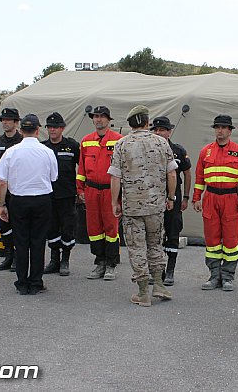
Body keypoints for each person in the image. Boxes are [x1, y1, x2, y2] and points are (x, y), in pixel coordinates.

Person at [108, 105, 177, 307]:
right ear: (148, 123)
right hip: (156, 206)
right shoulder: (162, 143)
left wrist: (115, 202)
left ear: (130, 124)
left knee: (137, 248)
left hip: (132, 207)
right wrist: (171, 197)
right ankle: (158, 284)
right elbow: (172, 173)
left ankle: (142, 292)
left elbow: (115, 177)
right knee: (155, 244)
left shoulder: (121, 144)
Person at [0, 114, 58, 295]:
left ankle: (22, 282)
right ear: (38, 131)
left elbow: (3, 182)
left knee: (21, 242)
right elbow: (54, 177)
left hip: (19, 200)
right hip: (41, 199)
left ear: (21, 131)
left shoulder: (11, 151)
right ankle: (36, 282)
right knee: (37, 242)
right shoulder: (47, 152)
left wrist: (1, 204)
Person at [193, 114, 238, 291]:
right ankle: (214, 276)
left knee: (230, 239)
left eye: (223, 127)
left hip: (230, 199)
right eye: (217, 127)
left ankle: (227, 277)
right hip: (210, 198)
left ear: (230, 130)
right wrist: (196, 198)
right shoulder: (206, 151)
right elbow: (199, 177)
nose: (220, 130)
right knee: (211, 240)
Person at [77, 105, 123, 280]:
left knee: (111, 227)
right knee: (94, 228)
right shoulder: (86, 141)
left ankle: (111, 264)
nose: (98, 120)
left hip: (110, 191)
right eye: (95, 117)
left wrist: (120, 196)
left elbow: (123, 170)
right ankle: (99, 262)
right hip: (91, 190)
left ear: (109, 120)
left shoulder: (119, 140)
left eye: (102, 116)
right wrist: (80, 188)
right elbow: (81, 168)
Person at [150, 116, 192, 286]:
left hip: (173, 196)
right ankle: (157, 271)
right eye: (156, 130)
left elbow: (187, 173)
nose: (159, 133)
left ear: (169, 131)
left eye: (162, 130)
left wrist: (186, 197)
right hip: (154, 195)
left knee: (172, 231)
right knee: (154, 234)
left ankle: (171, 270)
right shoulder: (149, 150)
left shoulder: (178, 150)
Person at [41, 112, 80, 276]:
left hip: (67, 195)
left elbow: (82, 168)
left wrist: (81, 189)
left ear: (62, 128)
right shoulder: (42, 147)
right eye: (50, 127)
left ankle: (65, 260)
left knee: (67, 228)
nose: (52, 130)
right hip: (48, 194)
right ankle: (54, 259)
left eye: (56, 127)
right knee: (51, 229)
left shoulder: (72, 146)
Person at [0, 107, 23, 271]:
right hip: (1, 192)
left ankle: (19, 257)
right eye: (3, 120)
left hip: (17, 191)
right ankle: (8, 255)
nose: (4, 122)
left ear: (16, 122)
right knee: (4, 227)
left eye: (8, 120)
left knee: (18, 225)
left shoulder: (22, 141)